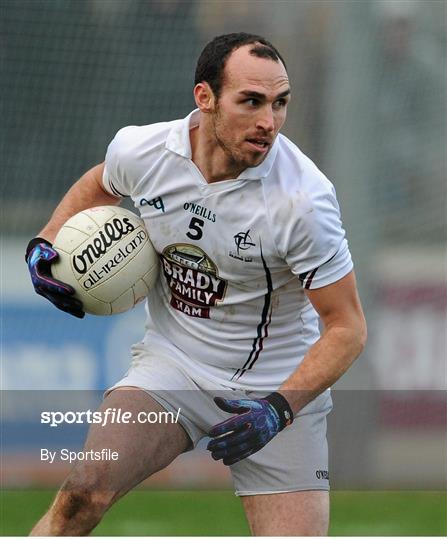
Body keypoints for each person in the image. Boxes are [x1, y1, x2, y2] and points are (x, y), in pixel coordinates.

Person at [26, 32, 367, 536]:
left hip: (274, 389)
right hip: (173, 369)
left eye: (280, 104)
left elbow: (347, 328)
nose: (268, 122)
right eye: (250, 101)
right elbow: (101, 183)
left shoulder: (304, 202)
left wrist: (277, 410)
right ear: (204, 98)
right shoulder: (143, 150)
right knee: (82, 492)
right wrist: (46, 243)